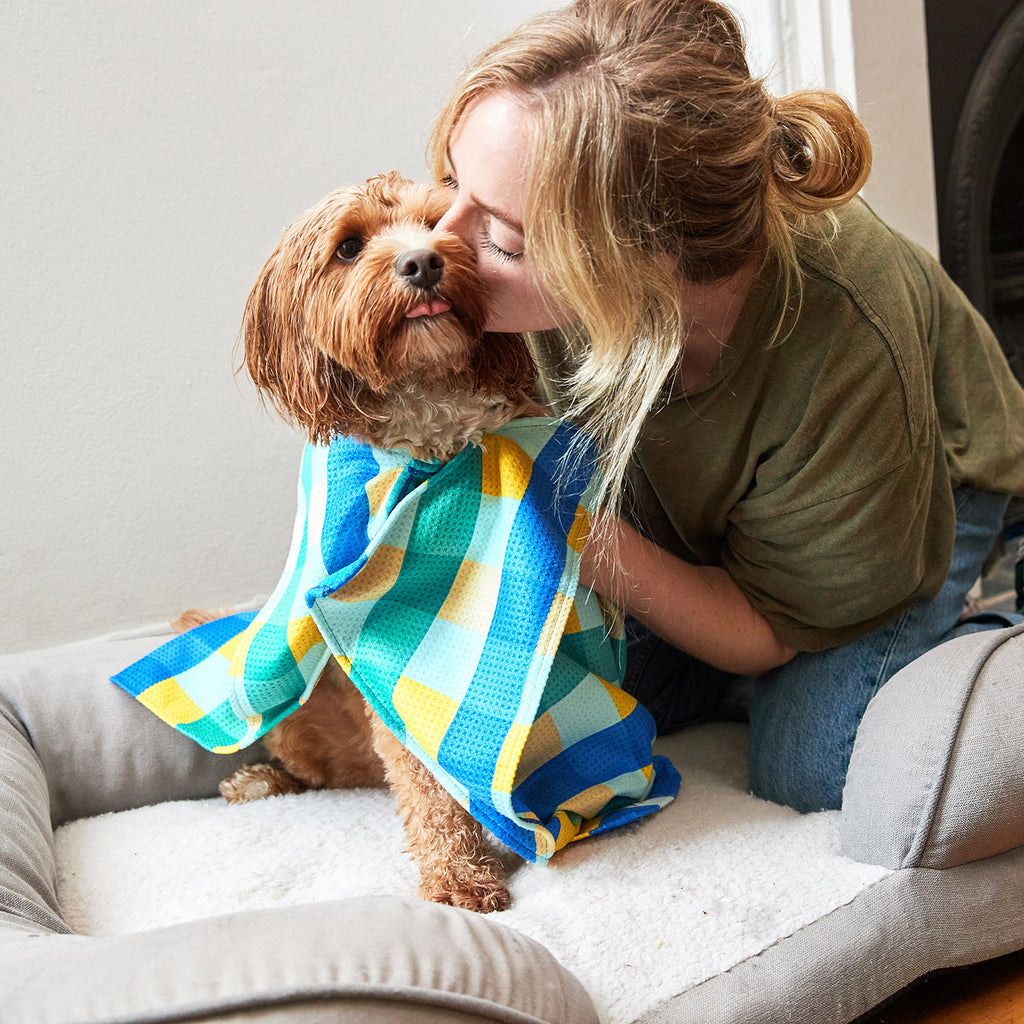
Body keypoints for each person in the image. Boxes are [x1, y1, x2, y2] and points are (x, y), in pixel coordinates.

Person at [428, 0, 1024, 813]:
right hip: (705, 505)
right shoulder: (505, 257)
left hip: (916, 493)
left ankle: (989, 616)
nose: (441, 241)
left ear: (642, 254)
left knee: (817, 769)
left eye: (503, 237)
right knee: (550, 698)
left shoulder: (841, 332)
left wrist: (573, 523)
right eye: (450, 184)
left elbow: (766, 631)